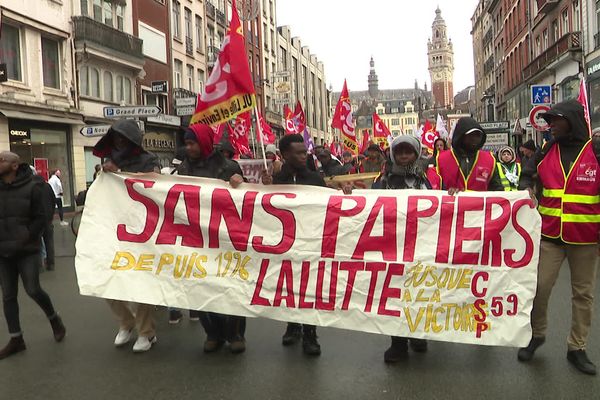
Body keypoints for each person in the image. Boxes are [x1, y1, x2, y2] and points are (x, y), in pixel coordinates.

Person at [517, 100, 600, 375]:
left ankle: (577, 347)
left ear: (573, 121)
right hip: (550, 235)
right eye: (548, 119)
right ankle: (537, 335)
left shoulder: (596, 151)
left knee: (583, 295)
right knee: (539, 288)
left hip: (586, 238)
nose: (550, 124)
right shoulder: (545, 150)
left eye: (556, 119)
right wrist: (527, 187)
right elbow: (526, 176)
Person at [177, 123, 247, 354]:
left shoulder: (228, 167)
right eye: (186, 143)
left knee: (230, 285)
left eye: (192, 143)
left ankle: (235, 332)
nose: (189, 148)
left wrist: (240, 184)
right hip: (197, 237)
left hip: (225, 236)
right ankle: (213, 333)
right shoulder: (184, 169)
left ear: (204, 142)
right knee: (200, 286)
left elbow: (247, 200)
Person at [93, 119, 161, 353]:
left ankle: (146, 332)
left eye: (123, 138)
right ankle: (126, 322)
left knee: (141, 282)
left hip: (143, 228)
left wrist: (121, 174)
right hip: (115, 227)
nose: (119, 142)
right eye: (116, 138)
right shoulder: (108, 161)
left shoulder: (148, 160)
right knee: (107, 280)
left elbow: (156, 188)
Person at [260, 134, 328, 356]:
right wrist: (264, 189)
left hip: (309, 242)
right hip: (284, 243)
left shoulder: (315, 179)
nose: (304, 156)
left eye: (304, 152)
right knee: (288, 287)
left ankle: (310, 334)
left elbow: (329, 205)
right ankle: (292, 326)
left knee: (308, 289)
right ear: (285, 155)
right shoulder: (276, 181)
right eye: (298, 152)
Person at [0, 152, 66, 360]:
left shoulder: (34, 186)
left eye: (1, 160)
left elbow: (42, 217)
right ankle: (16, 339)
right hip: (3, 251)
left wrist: (27, 236)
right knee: (8, 296)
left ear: (14, 165)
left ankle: (54, 319)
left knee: (33, 289)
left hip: (26, 249)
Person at [371, 136, 430, 362]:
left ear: (416, 153)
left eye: (409, 152)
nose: (404, 156)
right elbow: (368, 203)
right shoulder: (383, 179)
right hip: (392, 246)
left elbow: (440, 205)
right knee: (395, 295)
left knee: (418, 292)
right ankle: (398, 344)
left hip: (420, 245)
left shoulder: (426, 178)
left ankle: (418, 334)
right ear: (393, 154)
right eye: (400, 152)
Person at [436, 117, 504, 193]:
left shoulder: (490, 160)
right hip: (451, 204)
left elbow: (498, 190)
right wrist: (446, 192)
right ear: (461, 136)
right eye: (471, 135)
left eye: (478, 135)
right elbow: (434, 189)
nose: (475, 138)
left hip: (480, 204)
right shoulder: (441, 159)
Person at [31, 169, 57, 271]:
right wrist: (50, 214)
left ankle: (39, 265)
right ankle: (50, 264)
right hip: (48, 219)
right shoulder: (47, 186)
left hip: (36, 219)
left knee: (37, 242)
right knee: (49, 242)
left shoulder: (31, 187)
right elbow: (53, 200)